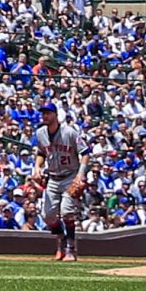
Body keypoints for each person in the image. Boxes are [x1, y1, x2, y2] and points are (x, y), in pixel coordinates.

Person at [31, 101, 88, 261]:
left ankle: (70, 248)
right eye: (43, 113)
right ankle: (61, 240)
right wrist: (37, 169)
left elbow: (85, 153)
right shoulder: (40, 133)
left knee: (67, 212)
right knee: (48, 216)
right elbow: (41, 153)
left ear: (56, 115)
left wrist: (80, 175)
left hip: (70, 176)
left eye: (48, 113)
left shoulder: (69, 132)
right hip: (53, 178)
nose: (45, 116)